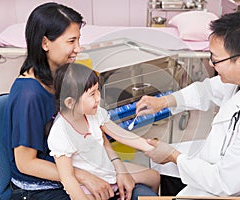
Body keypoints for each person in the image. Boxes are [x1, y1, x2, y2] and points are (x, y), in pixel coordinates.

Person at [2, 2, 155, 200]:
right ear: (45, 43)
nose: (78, 49)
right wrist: (83, 177)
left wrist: (118, 167)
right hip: (40, 187)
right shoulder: (29, 95)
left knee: (148, 181)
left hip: (78, 165)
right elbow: (25, 163)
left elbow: (95, 128)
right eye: (71, 41)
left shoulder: (64, 79)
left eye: (78, 40)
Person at [136, 11, 240, 197]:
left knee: (173, 165)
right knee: (164, 164)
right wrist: (163, 102)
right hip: (227, 155)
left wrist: (174, 156)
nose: (210, 62)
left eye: (215, 59)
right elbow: (207, 90)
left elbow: (225, 182)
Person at [47, 63, 159, 200]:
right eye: (92, 94)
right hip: (88, 186)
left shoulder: (94, 113)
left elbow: (121, 134)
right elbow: (68, 178)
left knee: (154, 177)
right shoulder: (60, 132)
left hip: (108, 169)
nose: (98, 98)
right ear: (70, 103)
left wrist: (151, 147)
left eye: (97, 91)